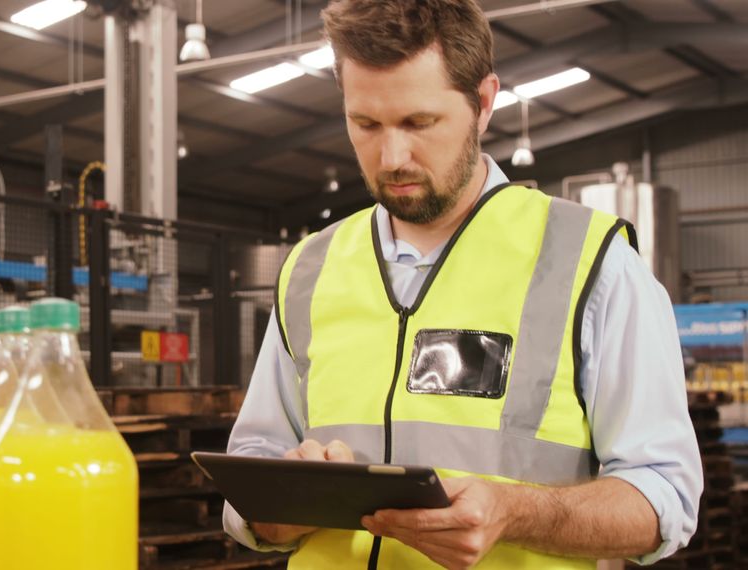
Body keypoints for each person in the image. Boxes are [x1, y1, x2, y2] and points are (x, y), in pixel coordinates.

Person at [222, 0, 703, 568]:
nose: (392, 156)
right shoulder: (310, 268)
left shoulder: (592, 264)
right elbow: (251, 471)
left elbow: (664, 495)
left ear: (483, 103)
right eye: (366, 124)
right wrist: (277, 510)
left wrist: (517, 512)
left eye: (419, 123)